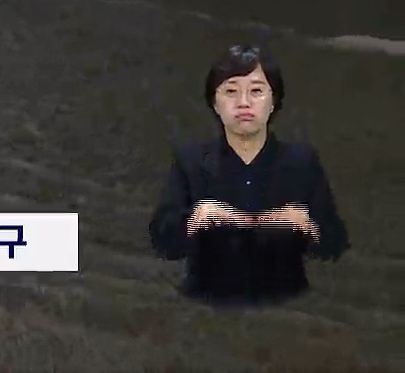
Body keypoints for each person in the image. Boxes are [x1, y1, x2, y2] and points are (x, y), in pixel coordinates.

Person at [148, 45, 348, 304]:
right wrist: (194, 219)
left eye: (256, 91)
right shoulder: (191, 162)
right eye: (231, 91)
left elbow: (335, 244)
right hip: (205, 301)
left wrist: (308, 225)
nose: (244, 102)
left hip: (286, 301)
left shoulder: (302, 163)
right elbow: (161, 243)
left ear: (274, 101)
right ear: (215, 103)